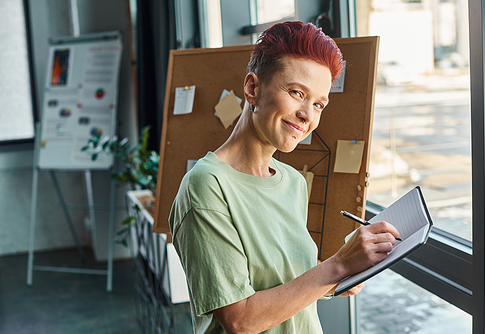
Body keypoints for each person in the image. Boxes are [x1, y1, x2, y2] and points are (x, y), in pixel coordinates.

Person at [169, 21, 400, 334]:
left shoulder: (292, 182)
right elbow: (241, 319)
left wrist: (340, 278)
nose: (308, 115)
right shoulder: (206, 187)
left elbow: (286, 282)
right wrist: (338, 265)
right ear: (252, 89)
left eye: (319, 103)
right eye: (296, 92)